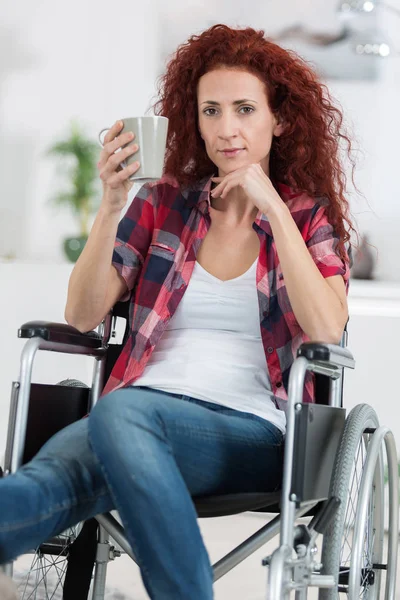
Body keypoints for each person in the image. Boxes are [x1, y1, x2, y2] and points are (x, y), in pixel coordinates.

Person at [0, 23, 355, 600]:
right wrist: (111, 206)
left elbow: (326, 327)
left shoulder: (307, 217)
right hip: (135, 423)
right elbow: (84, 314)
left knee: (117, 415)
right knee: (42, 485)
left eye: (244, 109)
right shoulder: (162, 202)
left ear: (278, 120)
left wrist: (273, 207)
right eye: (211, 111)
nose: (226, 128)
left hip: (252, 432)